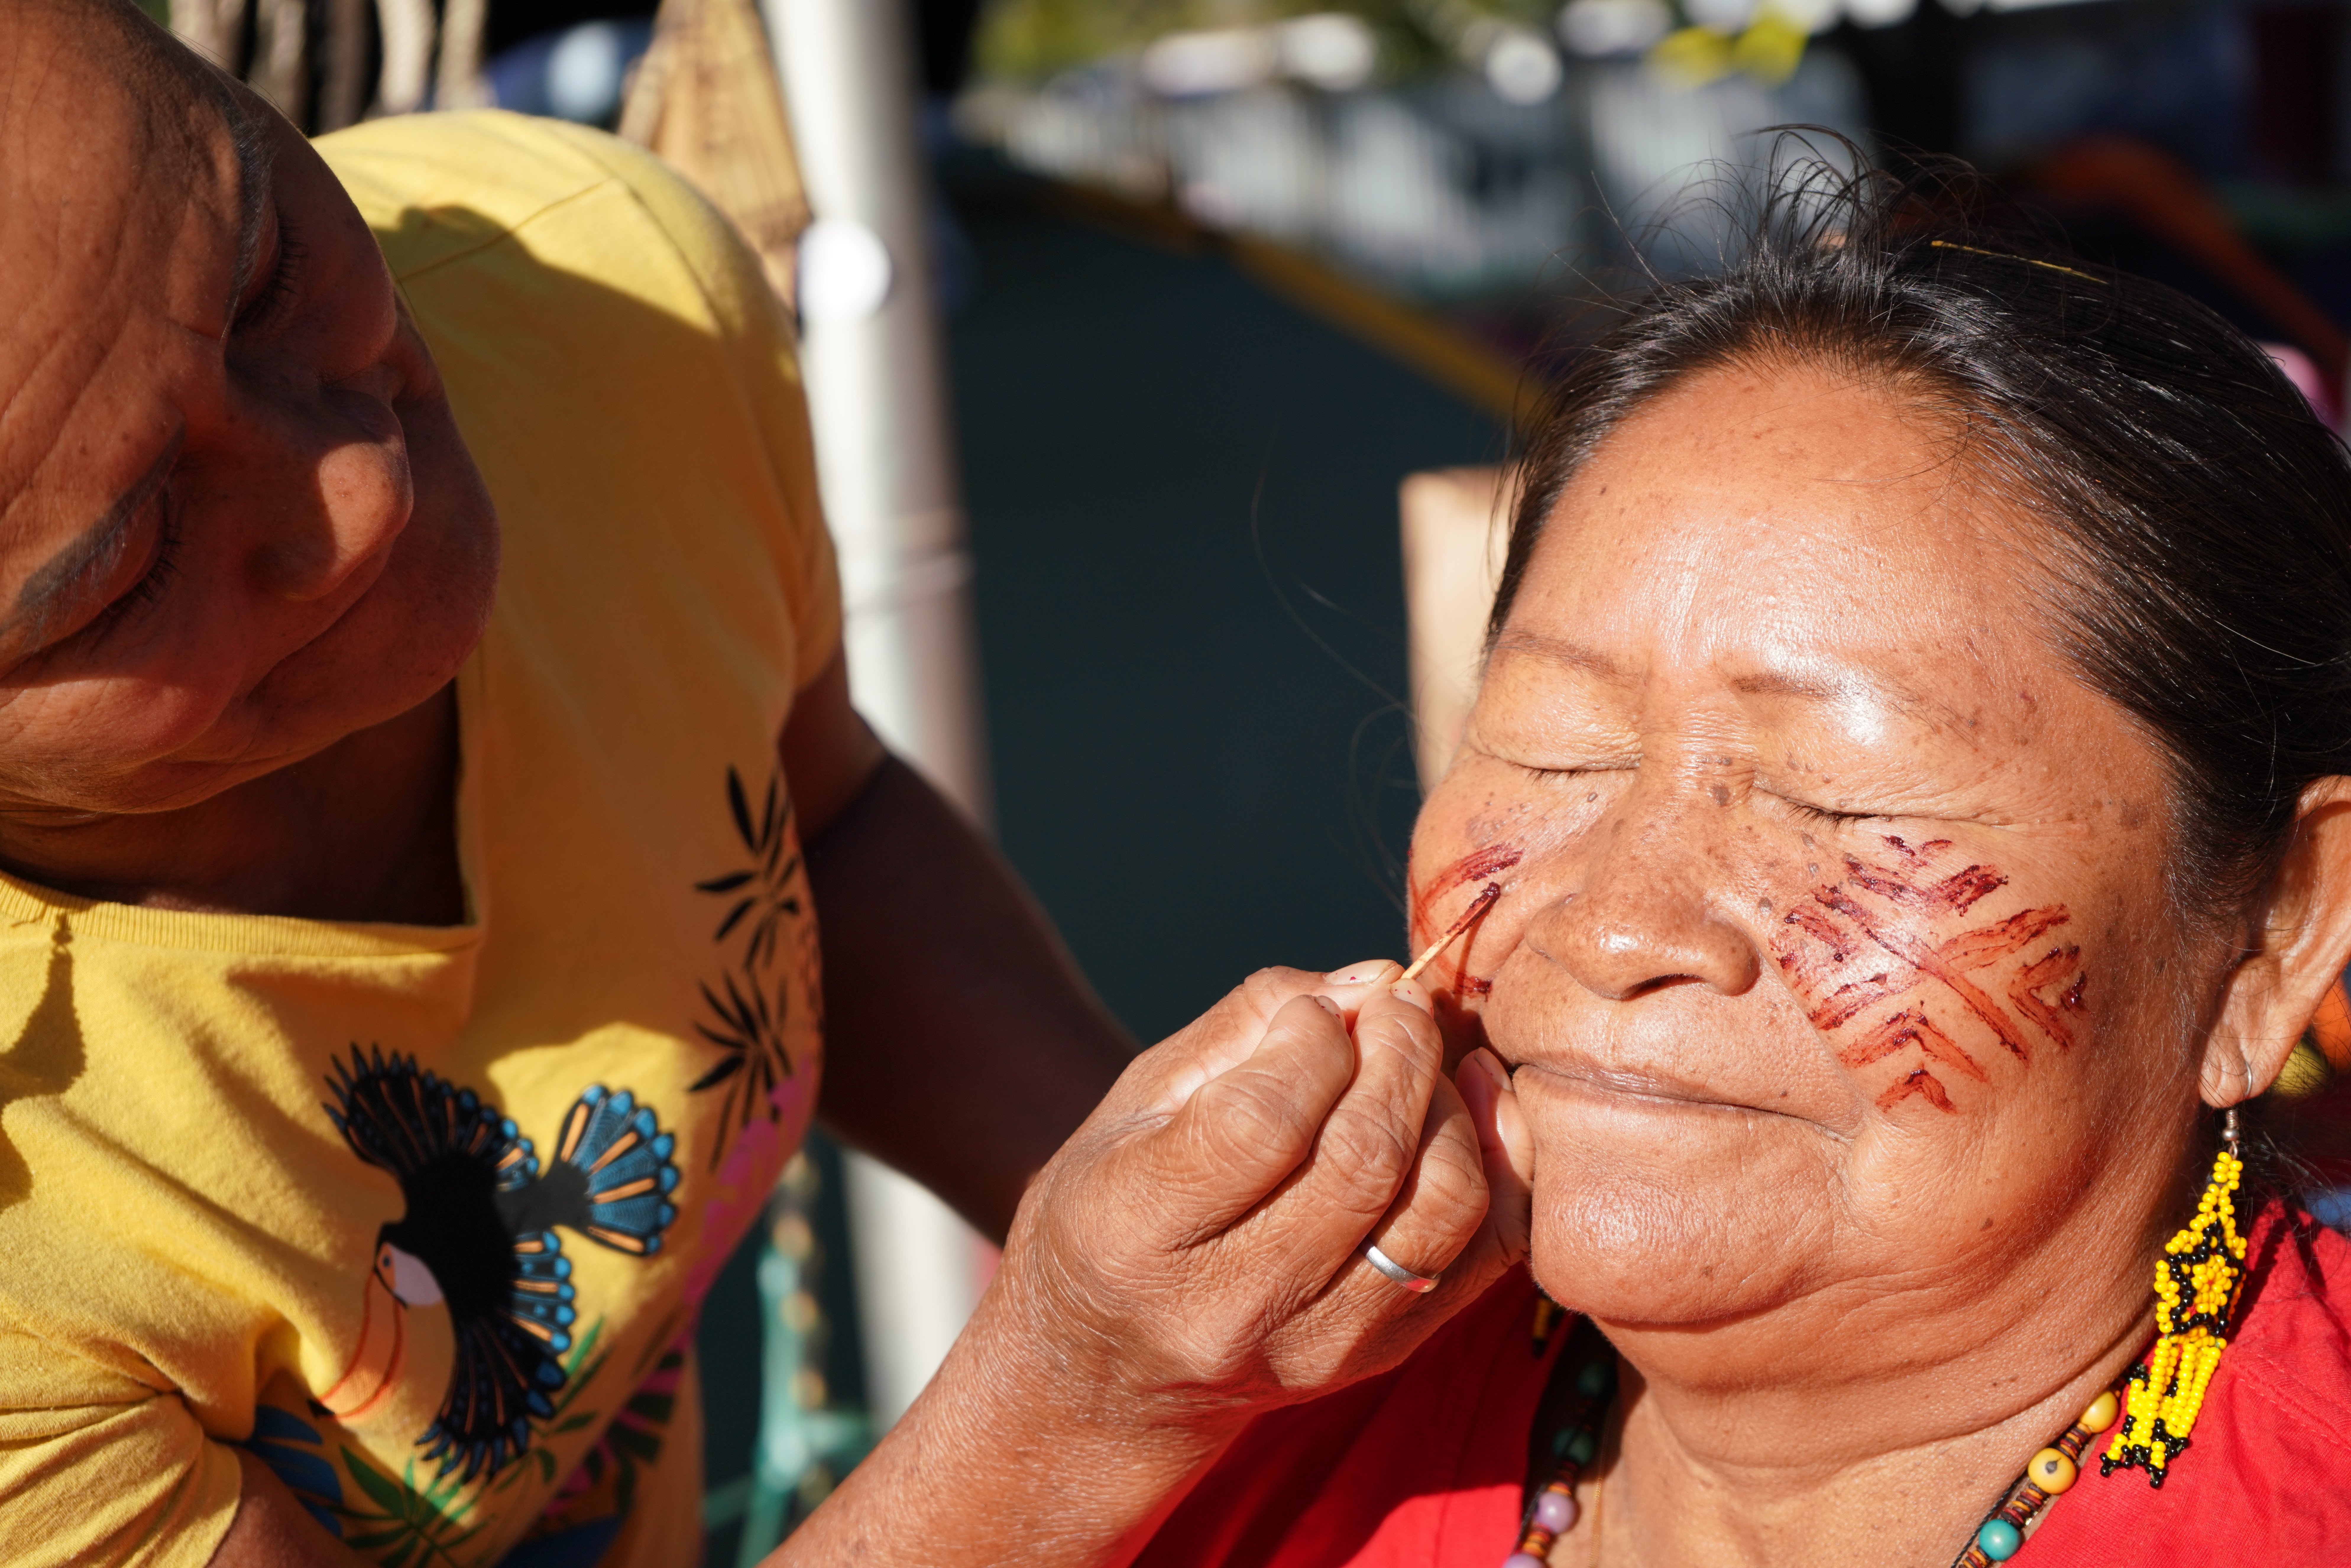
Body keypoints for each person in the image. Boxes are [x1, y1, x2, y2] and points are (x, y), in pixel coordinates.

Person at [0, 5, 1532, 1564]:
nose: (360, 483)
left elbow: (808, 819)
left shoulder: (596, 304)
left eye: (264, 270)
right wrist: (1079, 1390)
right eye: (125, 566)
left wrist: (1215, 1231)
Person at [1133, 154, 2351, 1566]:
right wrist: (1052, 1408)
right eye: (1556, 746)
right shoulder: (1224, 1436)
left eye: (1833, 794)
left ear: (2275, 931)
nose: (1608, 924)